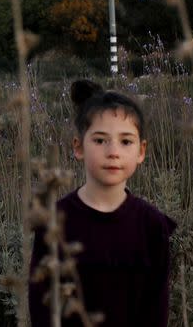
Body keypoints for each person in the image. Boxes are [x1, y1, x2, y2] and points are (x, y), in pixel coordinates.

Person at [29, 81, 176, 327]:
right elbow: (41, 305)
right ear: (78, 147)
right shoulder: (54, 221)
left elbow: (156, 309)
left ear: (141, 151)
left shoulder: (152, 225)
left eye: (125, 141)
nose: (113, 152)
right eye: (100, 140)